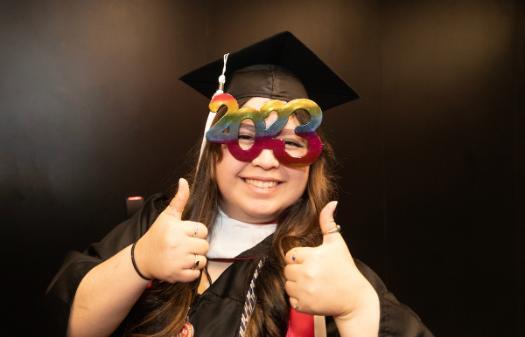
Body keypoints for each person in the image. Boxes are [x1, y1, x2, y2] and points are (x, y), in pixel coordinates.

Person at [46, 32, 434, 337]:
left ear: (313, 161)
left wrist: (357, 308)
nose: (267, 160)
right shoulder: (157, 226)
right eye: (244, 137)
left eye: (292, 144)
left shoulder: (322, 267)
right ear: (211, 150)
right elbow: (73, 324)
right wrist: (139, 262)